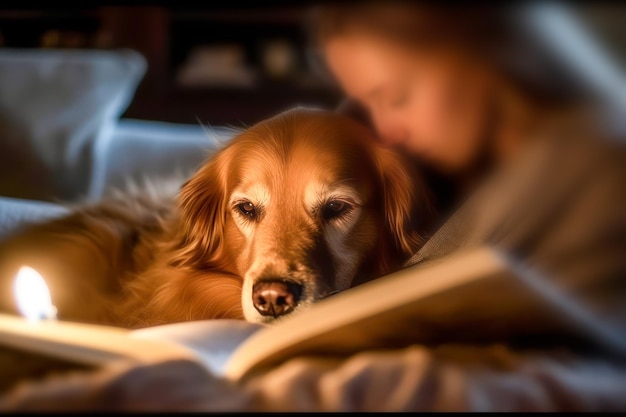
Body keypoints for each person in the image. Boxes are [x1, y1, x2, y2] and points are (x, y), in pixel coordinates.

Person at [2, 2, 625, 412]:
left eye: (394, 95)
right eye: (366, 100)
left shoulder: (591, 173)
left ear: (483, 52)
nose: (385, 126)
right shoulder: (460, 166)